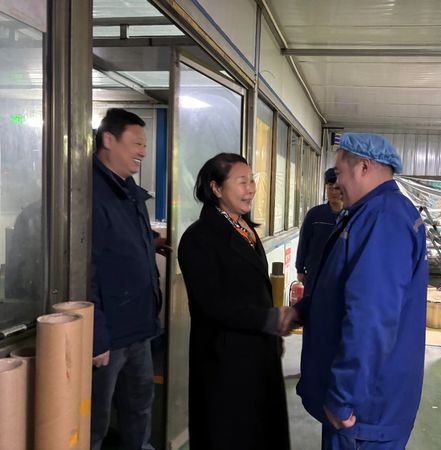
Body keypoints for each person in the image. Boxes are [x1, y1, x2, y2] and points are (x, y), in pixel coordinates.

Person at [284, 133, 428, 450]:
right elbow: (343, 288)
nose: (336, 183)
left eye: (339, 173)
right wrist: (302, 311)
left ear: (363, 167)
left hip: (364, 411)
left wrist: (343, 398)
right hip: (362, 406)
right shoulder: (368, 213)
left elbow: (371, 318)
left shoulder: (383, 220)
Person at [177, 153, 291, 450]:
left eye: (251, 181)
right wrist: (268, 319)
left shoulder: (245, 229)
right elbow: (211, 305)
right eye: (242, 182)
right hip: (224, 361)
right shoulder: (199, 239)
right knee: (230, 435)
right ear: (216, 188)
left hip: (257, 354)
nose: (250, 189)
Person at [91, 108, 168, 450]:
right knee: (94, 420)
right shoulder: (89, 193)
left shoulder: (127, 189)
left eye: (145, 144)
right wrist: (96, 336)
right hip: (108, 335)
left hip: (139, 326)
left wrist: (152, 242)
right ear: (109, 139)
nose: (143, 152)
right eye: (137, 143)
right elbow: (85, 268)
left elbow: (123, 240)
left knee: (139, 408)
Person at [295, 167, 343, 291]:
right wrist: (300, 269)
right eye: (330, 187)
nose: (333, 191)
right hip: (314, 275)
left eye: (337, 187)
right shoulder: (315, 215)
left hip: (340, 278)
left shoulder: (351, 216)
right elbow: (304, 242)